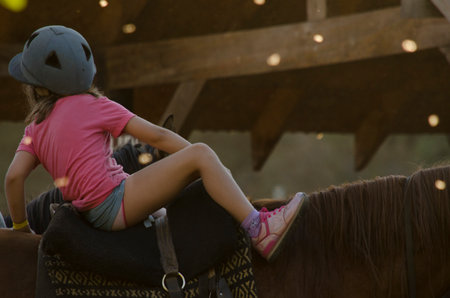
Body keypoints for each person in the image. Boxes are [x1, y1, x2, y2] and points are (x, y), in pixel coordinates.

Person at [4, 25, 305, 262]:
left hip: (91, 209)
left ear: (38, 87)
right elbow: (157, 137)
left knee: (171, 214)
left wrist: (20, 228)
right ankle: (259, 229)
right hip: (113, 203)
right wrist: (209, 166)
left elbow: (14, 178)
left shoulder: (35, 128)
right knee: (201, 153)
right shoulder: (94, 105)